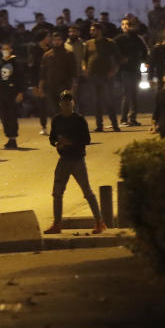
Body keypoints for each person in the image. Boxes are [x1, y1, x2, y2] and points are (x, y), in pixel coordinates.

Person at [42, 90, 108, 235]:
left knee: (87, 192)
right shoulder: (57, 120)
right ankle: (57, 224)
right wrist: (56, 143)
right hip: (64, 159)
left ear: (73, 103)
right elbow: (52, 138)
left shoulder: (79, 120)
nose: (66, 105)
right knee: (57, 193)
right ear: (60, 104)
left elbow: (87, 140)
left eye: (69, 102)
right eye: (64, 102)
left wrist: (70, 142)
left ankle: (99, 222)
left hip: (77, 159)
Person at [82, 22, 121, 132]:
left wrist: (114, 71)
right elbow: (84, 59)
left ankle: (115, 124)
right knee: (96, 102)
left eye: (93, 30)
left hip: (106, 77)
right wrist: (84, 68)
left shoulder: (109, 43)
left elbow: (118, 58)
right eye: (91, 30)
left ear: (99, 30)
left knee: (109, 101)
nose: (91, 32)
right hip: (92, 77)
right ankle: (99, 126)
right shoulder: (88, 44)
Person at [38, 30, 77, 136]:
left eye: (59, 40)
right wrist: (40, 87)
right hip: (50, 87)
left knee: (65, 109)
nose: (56, 42)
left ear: (62, 41)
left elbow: (74, 72)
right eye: (54, 40)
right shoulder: (47, 55)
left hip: (64, 86)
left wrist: (73, 86)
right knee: (53, 110)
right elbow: (42, 73)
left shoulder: (69, 54)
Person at [114, 17, 147, 126]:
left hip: (135, 69)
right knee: (127, 93)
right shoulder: (119, 39)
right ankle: (124, 119)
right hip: (124, 71)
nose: (125, 26)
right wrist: (121, 59)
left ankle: (132, 118)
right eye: (122, 24)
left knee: (134, 94)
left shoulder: (138, 39)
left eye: (127, 24)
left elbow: (145, 51)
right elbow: (113, 52)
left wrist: (143, 60)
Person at [0, 42, 25, 149]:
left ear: (11, 50)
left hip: (13, 93)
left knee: (12, 116)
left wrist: (20, 92)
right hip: (1, 94)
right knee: (4, 117)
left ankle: (13, 139)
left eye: (7, 48)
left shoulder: (16, 63)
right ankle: (9, 137)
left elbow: (21, 78)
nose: (5, 50)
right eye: (3, 49)